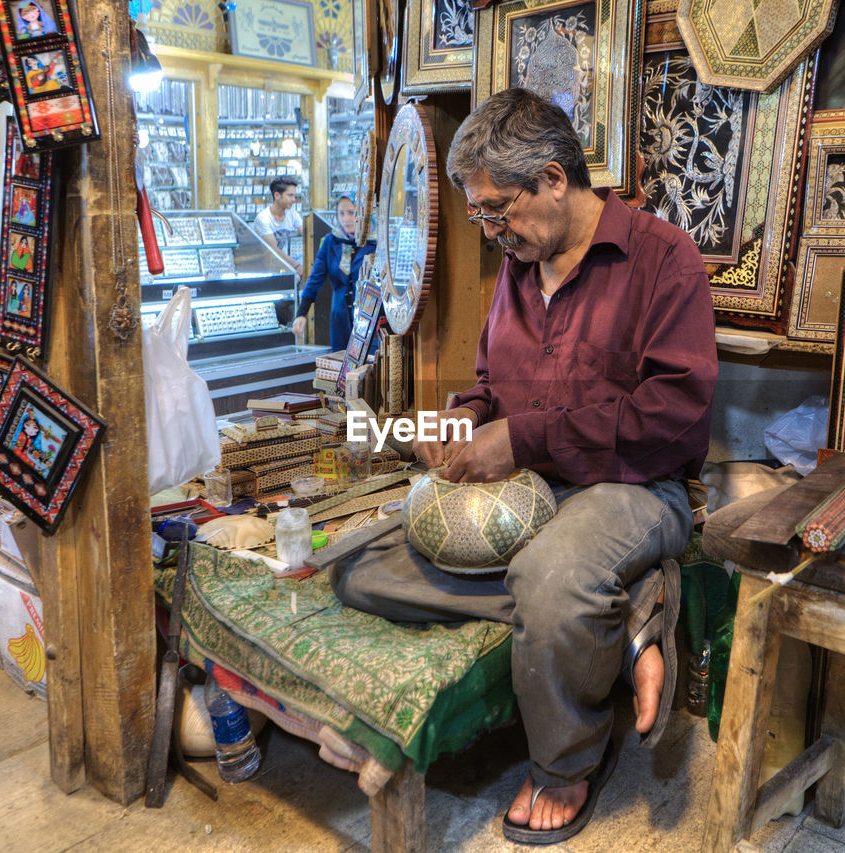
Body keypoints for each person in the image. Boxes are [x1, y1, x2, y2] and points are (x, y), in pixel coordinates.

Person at [331, 88, 717, 844]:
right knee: (364, 564)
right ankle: (626, 617)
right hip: (534, 490)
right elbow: (488, 385)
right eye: (478, 214)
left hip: (635, 486)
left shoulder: (662, 259)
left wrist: (521, 439)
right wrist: (466, 418)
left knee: (550, 577)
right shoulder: (517, 267)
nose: (490, 230)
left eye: (497, 209)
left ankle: (566, 760)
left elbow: (672, 418)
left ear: (552, 177)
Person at [291, 195, 376, 352]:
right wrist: (302, 313)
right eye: (341, 213)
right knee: (342, 365)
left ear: (364, 212)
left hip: (369, 318)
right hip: (340, 317)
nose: (346, 219)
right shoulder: (331, 241)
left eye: (351, 213)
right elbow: (316, 277)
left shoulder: (376, 241)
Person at [253, 176, 304, 278]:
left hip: (284, 264)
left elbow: (307, 235)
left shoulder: (292, 214)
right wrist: (297, 265)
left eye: (294, 196)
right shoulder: (263, 218)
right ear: (277, 195)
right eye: (290, 195)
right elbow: (274, 250)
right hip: (267, 269)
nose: (294, 200)